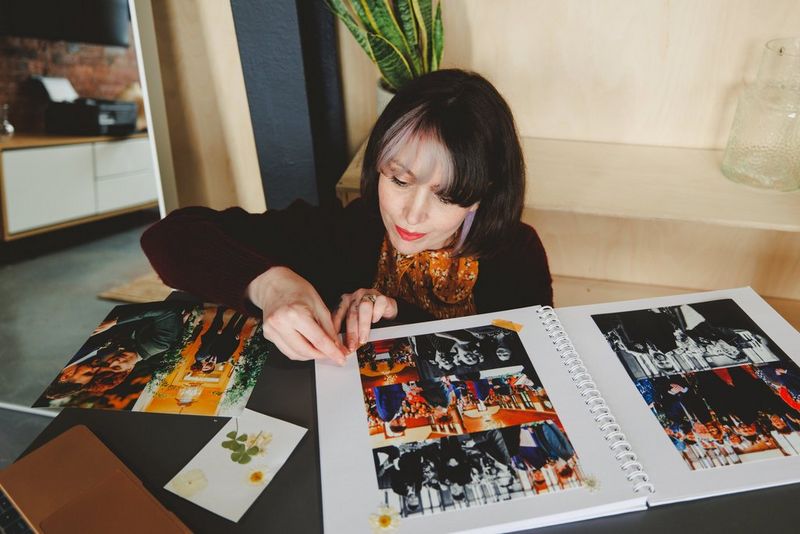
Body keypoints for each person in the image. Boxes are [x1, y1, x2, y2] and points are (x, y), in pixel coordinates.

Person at [141, 69, 552, 365]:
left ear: (482, 195)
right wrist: (271, 286)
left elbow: (531, 362)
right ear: (377, 165)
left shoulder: (517, 254)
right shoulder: (346, 230)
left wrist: (396, 313)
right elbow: (169, 236)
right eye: (400, 180)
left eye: (446, 197)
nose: (412, 214)